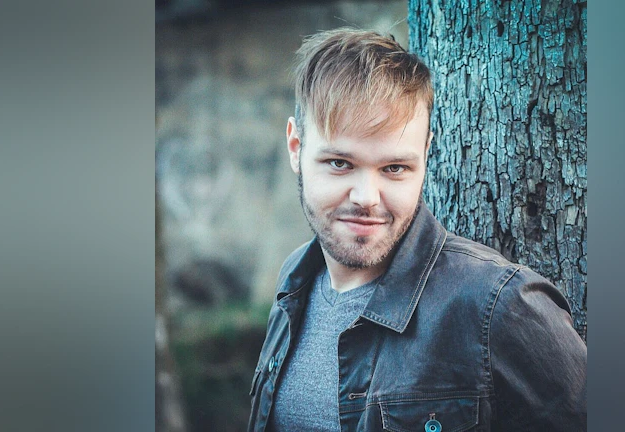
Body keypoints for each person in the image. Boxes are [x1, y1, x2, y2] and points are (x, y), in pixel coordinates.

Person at [248, 28, 586, 431]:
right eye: (340, 163)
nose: (367, 197)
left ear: (426, 155)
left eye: (394, 168)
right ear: (295, 147)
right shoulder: (295, 281)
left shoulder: (497, 306)